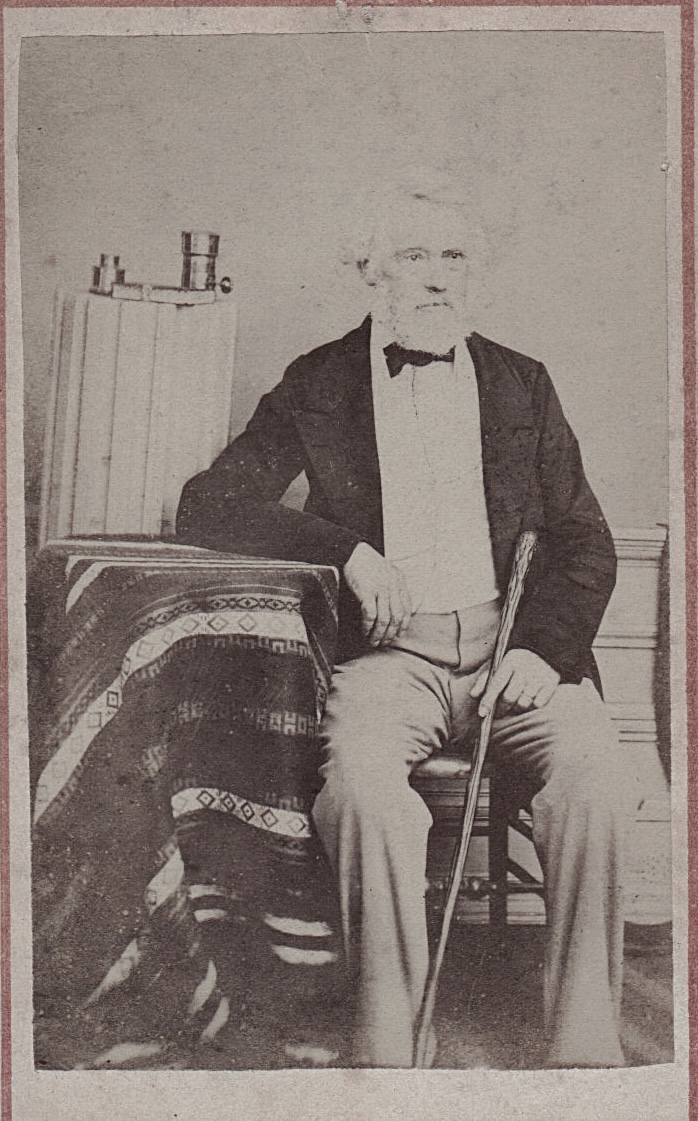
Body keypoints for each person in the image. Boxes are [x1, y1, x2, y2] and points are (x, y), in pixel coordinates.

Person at [176, 179, 629, 1070]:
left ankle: (587, 1050)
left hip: (516, 655)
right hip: (390, 661)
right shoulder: (320, 380)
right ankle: (386, 1045)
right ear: (370, 273)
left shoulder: (522, 382)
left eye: (452, 258)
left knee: (600, 785)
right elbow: (210, 502)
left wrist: (544, 649)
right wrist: (344, 549)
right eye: (414, 258)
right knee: (365, 800)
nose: (436, 280)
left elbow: (585, 540)